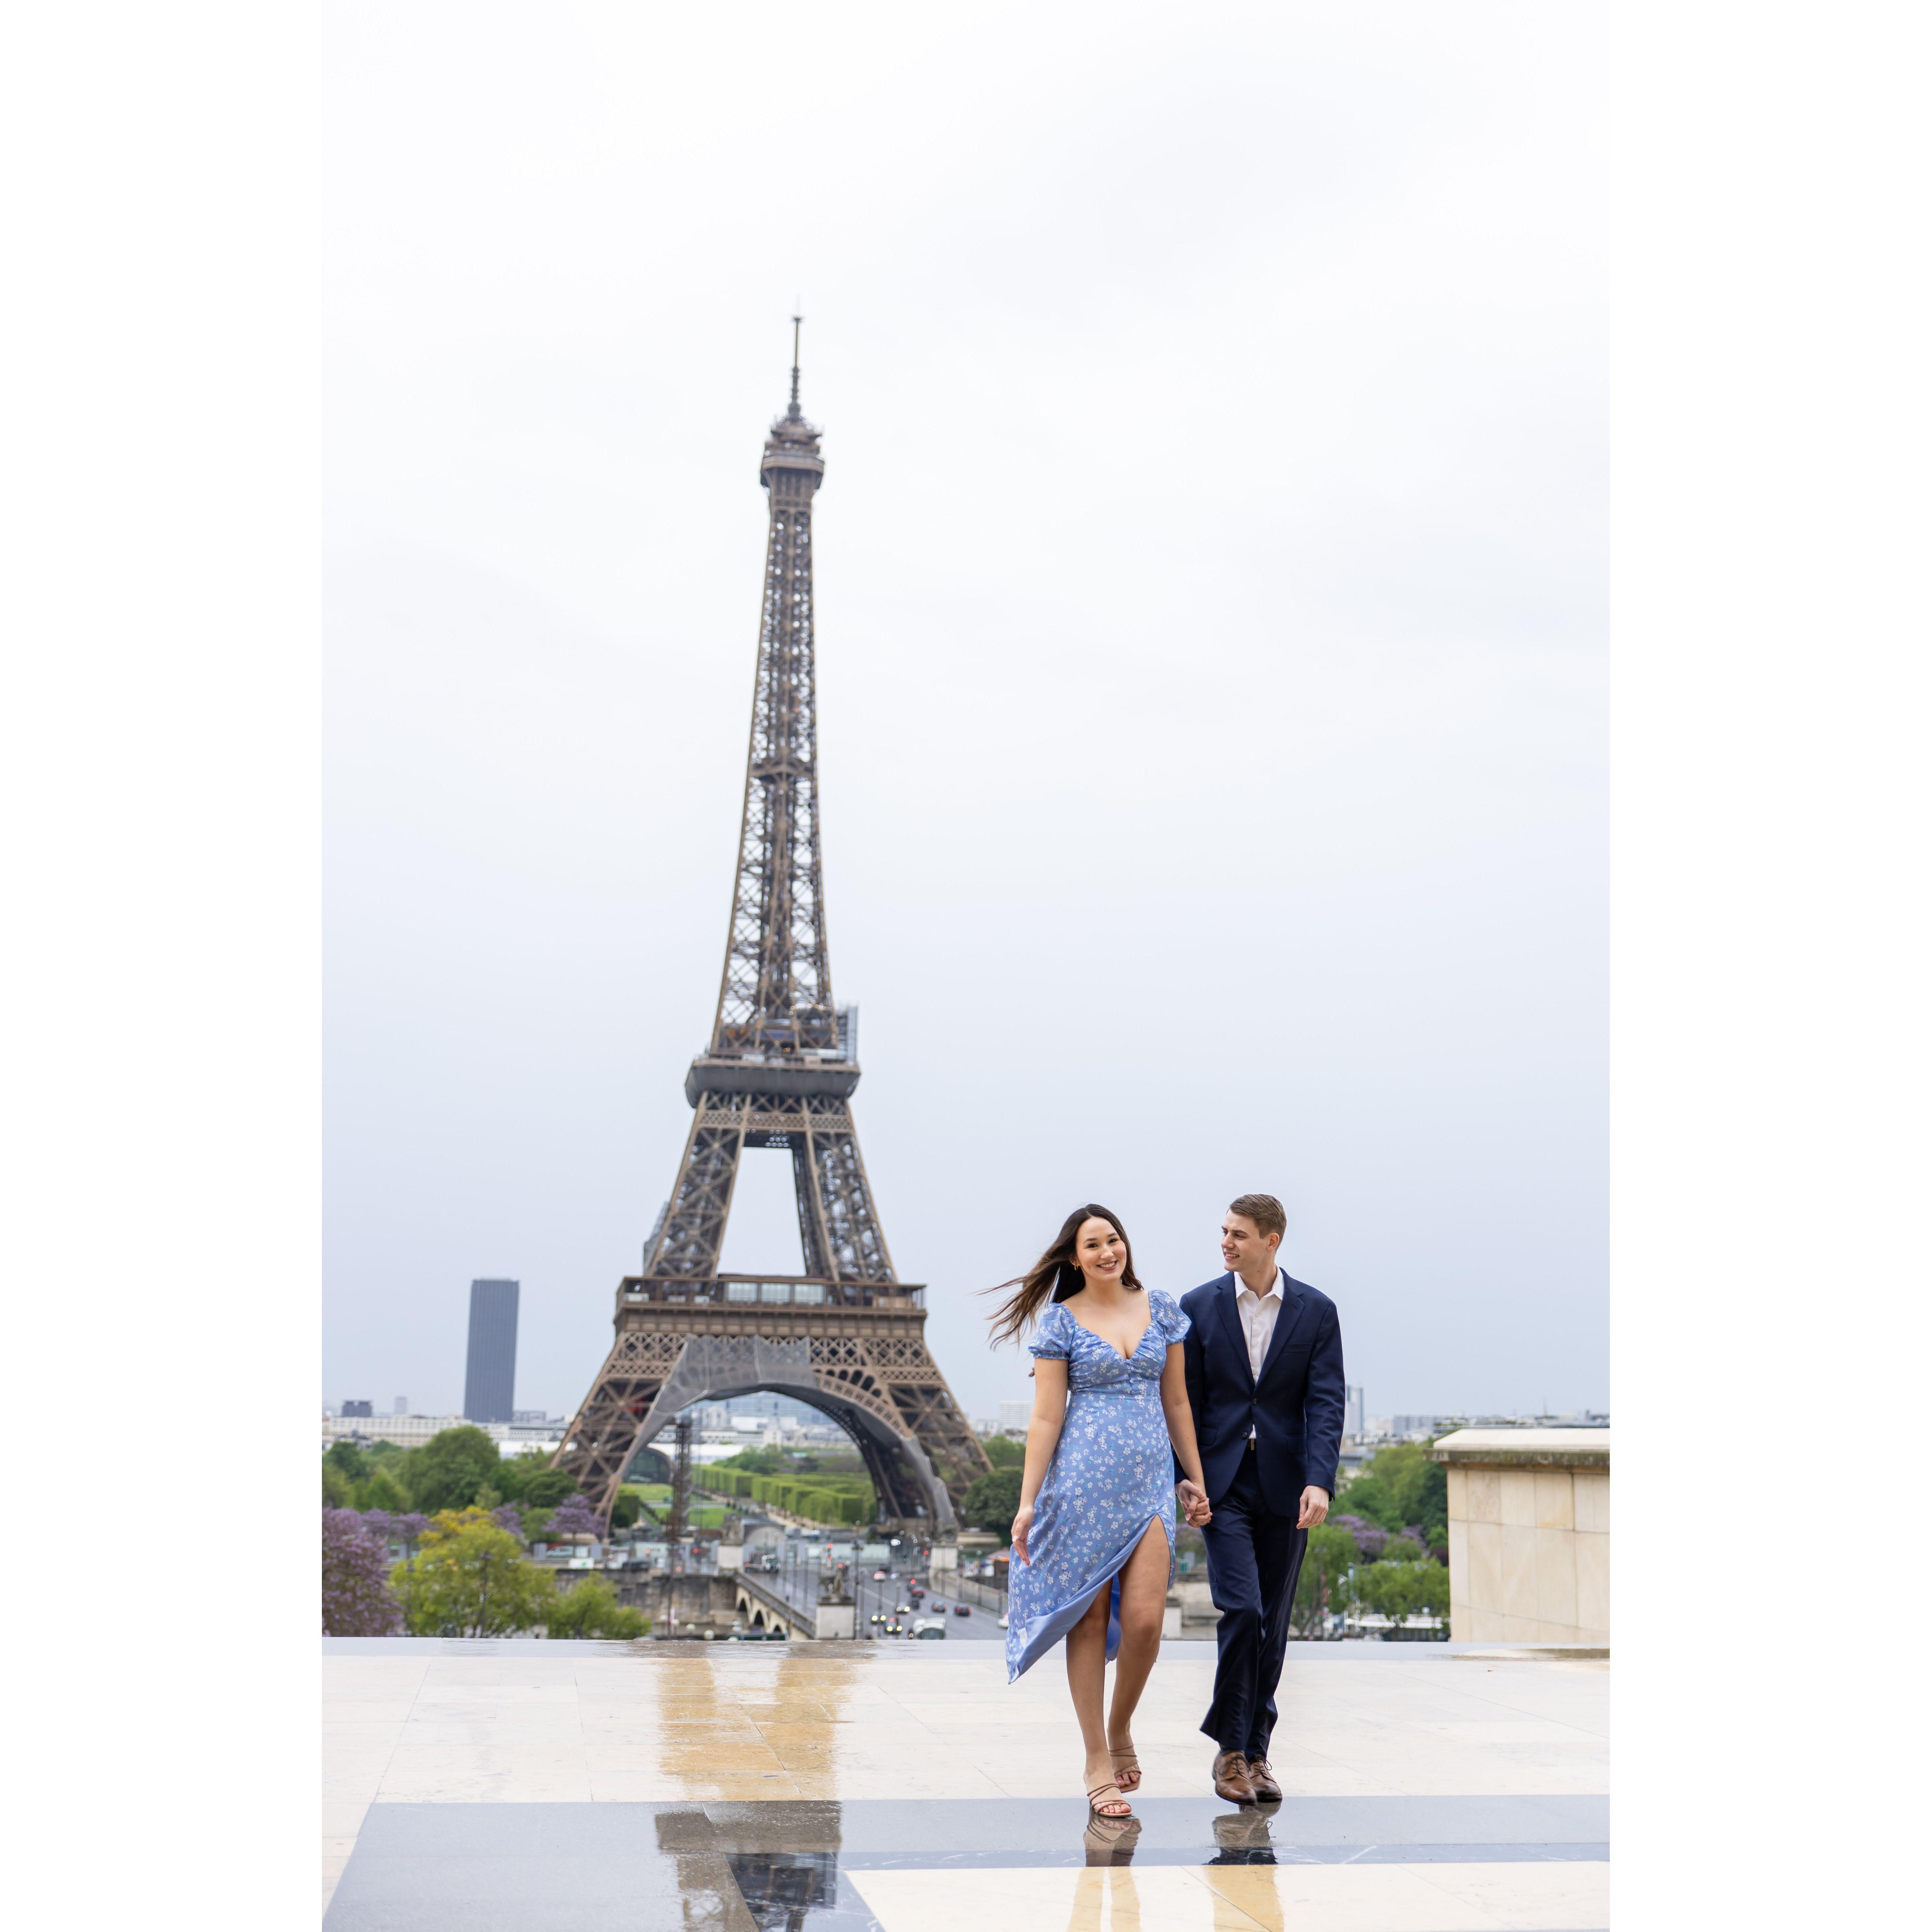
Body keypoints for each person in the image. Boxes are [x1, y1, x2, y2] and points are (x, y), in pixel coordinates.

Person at [988, 1204, 1213, 1820]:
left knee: (1145, 1623)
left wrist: (1194, 1477)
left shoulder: (1160, 1307)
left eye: (1114, 1239)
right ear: (1074, 1257)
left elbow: (1177, 1401)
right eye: (1093, 1244)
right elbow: (1046, 1416)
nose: (1108, 1251)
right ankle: (1095, 1761)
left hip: (1148, 1486)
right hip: (1080, 1489)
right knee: (1087, 1625)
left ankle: (1120, 1726)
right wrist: (1028, 1501)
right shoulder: (1061, 1320)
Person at [1176, 1193, 1346, 1805]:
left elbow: (1325, 1402)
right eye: (1224, 1231)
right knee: (1243, 1610)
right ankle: (1229, 1750)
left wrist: (1319, 1480)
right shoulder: (1197, 1306)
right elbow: (1184, 1402)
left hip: (1287, 1484)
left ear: (1271, 1240)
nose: (1225, 1242)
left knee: (1272, 1624)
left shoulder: (1315, 1310)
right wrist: (1185, 1478)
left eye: (1238, 1234)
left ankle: (1256, 1751)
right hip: (1222, 1484)